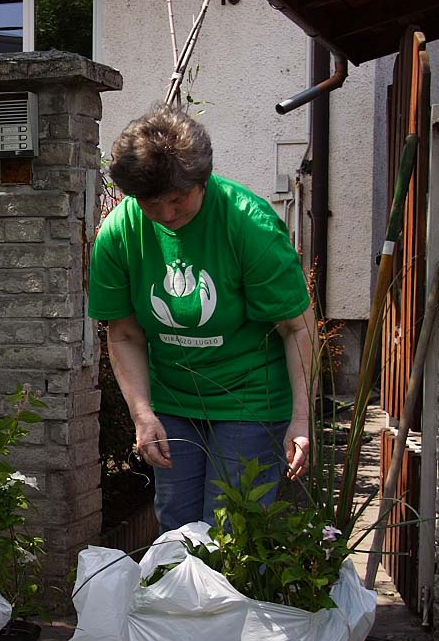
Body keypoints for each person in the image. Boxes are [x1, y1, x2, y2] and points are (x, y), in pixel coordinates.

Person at [88, 103, 316, 533]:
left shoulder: (249, 225)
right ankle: (182, 602)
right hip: (173, 400)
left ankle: (231, 602)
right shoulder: (119, 233)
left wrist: (300, 419)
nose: (168, 216)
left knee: (233, 528)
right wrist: (142, 413)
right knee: (176, 525)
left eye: (178, 200)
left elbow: (297, 326)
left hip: (250, 398)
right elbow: (123, 335)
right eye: (152, 205)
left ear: (203, 180)